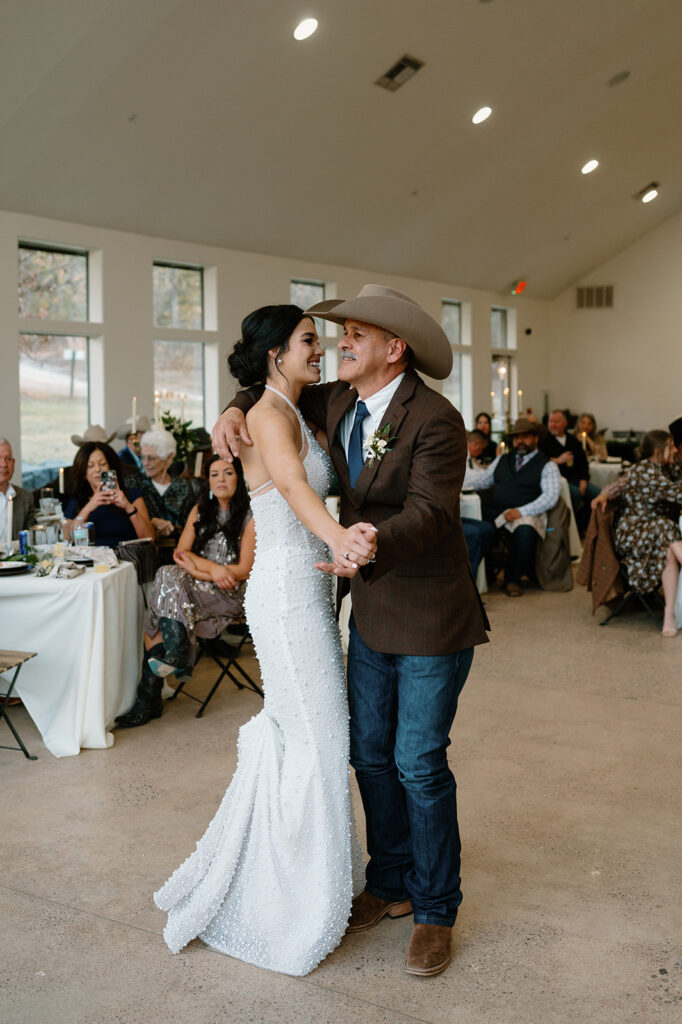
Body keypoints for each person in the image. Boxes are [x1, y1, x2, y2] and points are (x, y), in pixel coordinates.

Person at [213, 285, 489, 977]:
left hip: (428, 615)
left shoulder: (437, 418)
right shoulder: (334, 400)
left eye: (355, 334)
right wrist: (230, 407)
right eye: (336, 335)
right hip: (365, 612)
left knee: (418, 764)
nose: (339, 343)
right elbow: (270, 393)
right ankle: (390, 881)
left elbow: (429, 512)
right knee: (368, 755)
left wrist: (362, 543)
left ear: (394, 349)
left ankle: (434, 910)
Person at [154, 304, 378, 976]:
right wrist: (338, 535)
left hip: (310, 590)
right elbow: (285, 482)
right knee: (322, 738)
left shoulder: (300, 407)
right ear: (277, 353)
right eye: (310, 341)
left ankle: (311, 880)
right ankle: (291, 900)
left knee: (307, 737)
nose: (323, 350)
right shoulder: (267, 417)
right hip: (285, 594)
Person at [116, 454, 256, 727]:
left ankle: (150, 696)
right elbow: (181, 553)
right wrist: (210, 570)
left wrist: (206, 571)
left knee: (162, 594)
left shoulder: (251, 516)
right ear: (208, 481)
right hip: (195, 589)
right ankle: (175, 649)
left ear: (239, 478)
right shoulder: (200, 509)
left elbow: (243, 570)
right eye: (214, 474)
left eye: (227, 473)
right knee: (168, 572)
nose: (220, 480)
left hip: (228, 593)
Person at [594, 430, 682, 637]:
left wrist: (606, 491)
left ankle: (669, 614)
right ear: (658, 452)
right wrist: (604, 493)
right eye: (671, 447)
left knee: (667, 547)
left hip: (656, 534)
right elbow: (677, 493)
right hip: (633, 534)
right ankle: (670, 613)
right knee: (665, 526)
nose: (676, 449)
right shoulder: (645, 471)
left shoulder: (666, 467)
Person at [469, 417, 561, 596]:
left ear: (535, 438)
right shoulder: (502, 459)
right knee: (477, 527)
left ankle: (513, 578)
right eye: (517, 437)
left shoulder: (547, 465)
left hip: (528, 511)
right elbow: (482, 480)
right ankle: (485, 575)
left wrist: (521, 511)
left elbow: (550, 497)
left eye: (525, 437)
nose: (520, 441)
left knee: (525, 529)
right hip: (497, 510)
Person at [63, 442, 154, 547]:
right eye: (90, 466)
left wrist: (128, 507)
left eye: (102, 464)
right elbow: (68, 540)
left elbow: (149, 539)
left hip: (127, 558)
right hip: (93, 560)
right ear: (84, 473)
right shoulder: (77, 502)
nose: (97, 469)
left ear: (111, 467)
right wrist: (89, 507)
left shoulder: (132, 496)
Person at [129, 427, 194, 539]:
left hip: (178, 549)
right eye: (143, 457)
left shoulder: (183, 486)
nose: (145, 463)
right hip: (144, 550)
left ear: (168, 458)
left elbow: (191, 523)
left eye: (151, 458)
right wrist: (151, 522)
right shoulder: (134, 483)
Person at [541, 409, 599, 532]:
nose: (553, 424)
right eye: (551, 421)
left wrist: (583, 481)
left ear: (564, 424)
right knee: (575, 493)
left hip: (576, 479)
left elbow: (583, 463)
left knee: (598, 495)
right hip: (558, 481)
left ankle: (581, 525)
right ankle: (570, 529)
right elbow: (539, 461)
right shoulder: (543, 441)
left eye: (557, 421)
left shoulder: (573, 441)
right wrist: (558, 460)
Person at [0, 438, 35, 542]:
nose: (4, 465)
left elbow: (30, 540)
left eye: (8, 459)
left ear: (13, 463)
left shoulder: (25, 498)